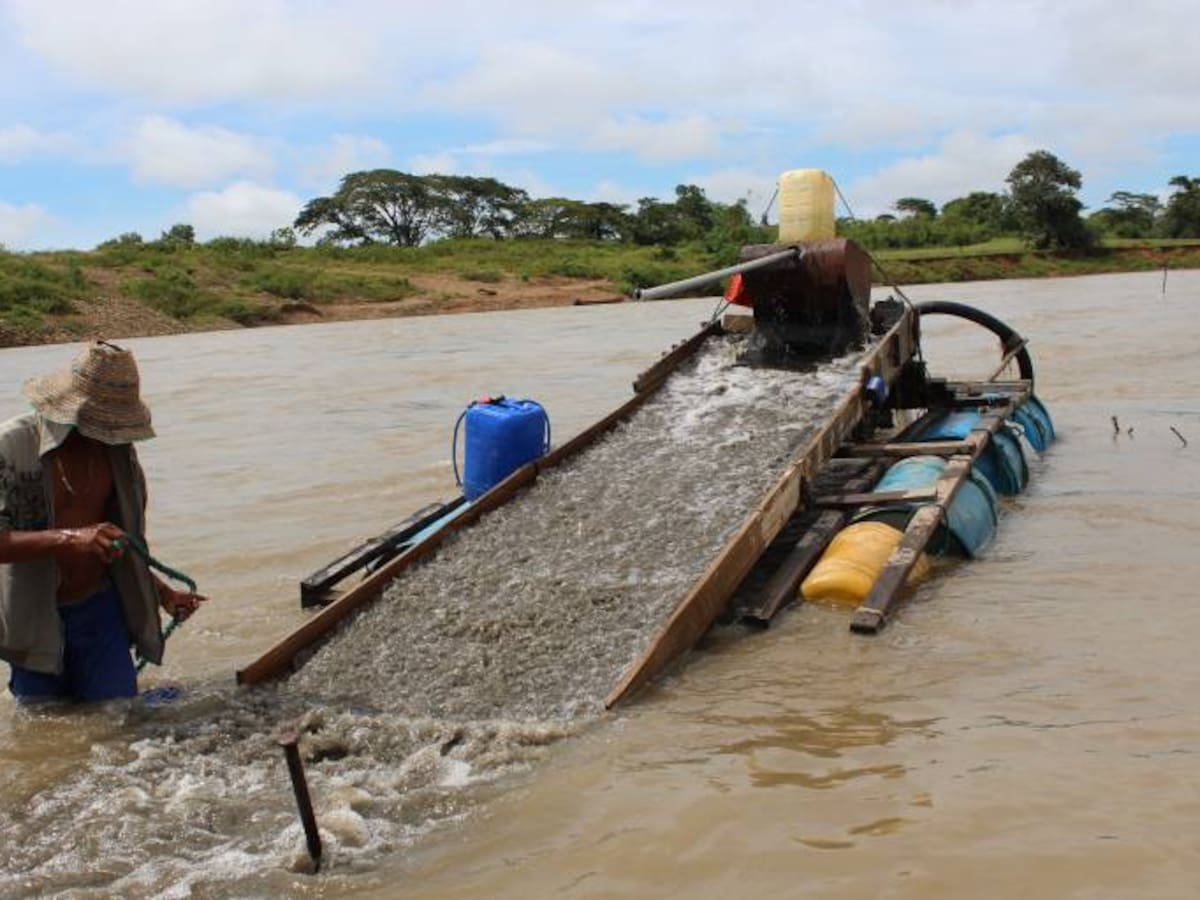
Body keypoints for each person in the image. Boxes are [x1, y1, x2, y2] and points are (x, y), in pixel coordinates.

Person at [0, 340, 205, 703]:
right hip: (34, 617)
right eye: (102, 423)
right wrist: (70, 538)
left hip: (99, 610)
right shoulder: (13, 447)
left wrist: (164, 594)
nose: (111, 433)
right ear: (73, 413)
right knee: (45, 729)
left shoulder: (119, 454)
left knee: (116, 722)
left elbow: (117, 542)